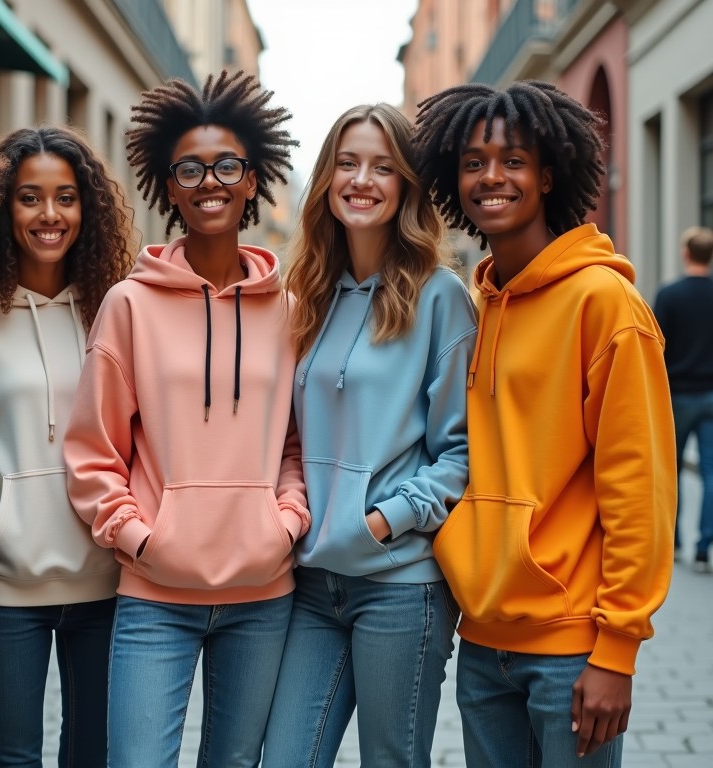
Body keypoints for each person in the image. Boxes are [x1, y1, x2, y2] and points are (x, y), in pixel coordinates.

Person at [414, 80, 676, 767]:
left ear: (549, 174)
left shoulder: (604, 302)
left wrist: (617, 651)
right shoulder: (476, 303)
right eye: (473, 162)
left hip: (572, 647)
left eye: (513, 160)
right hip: (482, 638)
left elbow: (639, 483)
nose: (491, 177)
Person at [62, 70, 309, 768]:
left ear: (253, 179)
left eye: (227, 165)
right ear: (169, 187)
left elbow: (297, 441)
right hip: (153, 595)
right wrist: (139, 539)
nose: (211, 181)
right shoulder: (129, 306)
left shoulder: (290, 308)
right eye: (191, 169)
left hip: (264, 596)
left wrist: (284, 521)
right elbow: (93, 449)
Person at [261, 103, 476, 767]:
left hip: (400, 583)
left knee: (392, 760)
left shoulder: (440, 297)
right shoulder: (310, 294)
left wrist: (384, 520)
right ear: (326, 179)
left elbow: (462, 449)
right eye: (348, 163)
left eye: (384, 167)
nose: (363, 179)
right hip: (311, 583)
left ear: (406, 185)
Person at [0, 125, 135, 767]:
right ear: (1, 207)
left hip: (108, 585)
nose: (49, 215)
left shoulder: (116, 313)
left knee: (92, 754)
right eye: (29, 197)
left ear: (87, 208)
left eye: (65, 197)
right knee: (11, 757)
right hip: (4, 591)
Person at [653, 225, 713, 573]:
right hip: (711, 395)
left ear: (686, 253)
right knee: (710, 472)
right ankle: (704, 547)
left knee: (668, 473)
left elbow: (656, 347)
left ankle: (673, 544)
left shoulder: (669, 295)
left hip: (676, 396)